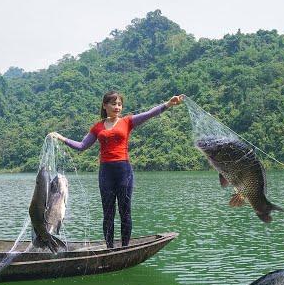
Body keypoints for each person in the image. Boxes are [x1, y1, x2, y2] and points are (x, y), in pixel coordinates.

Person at [49, 91, 184, 248]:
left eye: (119, 104)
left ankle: (125, 248)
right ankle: (110, 247)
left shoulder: (127, 122)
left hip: (124, 172)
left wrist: (168, 104)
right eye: (113, 104)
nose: (117, 107)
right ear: (105, 106)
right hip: (106, 173)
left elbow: (149, 114)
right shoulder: (97, 127)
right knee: (108, 214)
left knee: (125, 212)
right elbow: (82, 146)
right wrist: (61, 138)